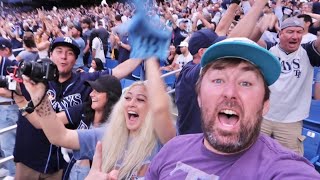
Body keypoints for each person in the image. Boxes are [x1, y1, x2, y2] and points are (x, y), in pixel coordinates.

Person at [146, 37, 320, 179]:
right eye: (218, 80)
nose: (230, 93)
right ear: (199, 98)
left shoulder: (285, 169)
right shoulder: (172, 149)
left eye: (246, 83)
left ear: (265, 105)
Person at [0, 36, 142, 179]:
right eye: (59, 51)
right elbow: (12, 86)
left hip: (59, 164)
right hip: (29, 159)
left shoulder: (85, 82)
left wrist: (144, 54)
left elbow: (117, 72)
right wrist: (17, 96)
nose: (64, 57)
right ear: (50, 54)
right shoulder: (32, 77)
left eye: (70, 53)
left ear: (75, 59)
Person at [22, 58, 176, 179]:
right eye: (127, 98)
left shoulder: (162, 141)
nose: (131, 104)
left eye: (141, 99)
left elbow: (161, 109)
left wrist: (149, 56)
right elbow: (60, 136)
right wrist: (39, 98)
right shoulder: (107, 134)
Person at [175, 0, 266, 135]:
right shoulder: (191, 74)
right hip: (193, 142)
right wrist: (259, 5)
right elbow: (228, 44)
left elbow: (221, 29)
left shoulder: (196, 66)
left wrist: (234, 4)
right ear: (202, 52)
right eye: (214, 46)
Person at [259, 17, 320, 155]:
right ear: (280, 33)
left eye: (299, 32)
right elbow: (248, 40)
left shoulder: (308, 52)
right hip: (261, 117)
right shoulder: (268, 49)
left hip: (291, 121)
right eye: (290, 31)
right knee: (251, 158)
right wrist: (259, 27)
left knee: (290, 163)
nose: (295, 36)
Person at [0, 38, 19, 176]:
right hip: (3, 109)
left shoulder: (11, 65)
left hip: (8, 109)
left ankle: (14, 175)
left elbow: (16, 93)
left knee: (9, 147)